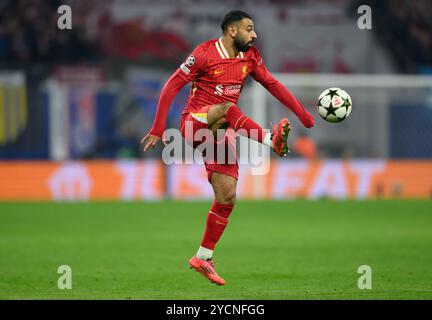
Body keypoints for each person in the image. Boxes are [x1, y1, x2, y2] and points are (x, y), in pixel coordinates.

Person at [141, 10, 314, 286]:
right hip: (194, 123)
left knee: (227, 196)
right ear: (232, 31)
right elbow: (172, 86)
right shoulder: (204, 54)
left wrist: (302, 114)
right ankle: (271, 140)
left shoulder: (251, 57)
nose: (254, 34)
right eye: (249, 29)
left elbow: (272, 84)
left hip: (223, 131)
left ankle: (203, 257)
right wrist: (159, 128)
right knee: (228, 108)